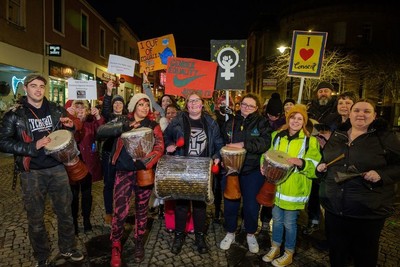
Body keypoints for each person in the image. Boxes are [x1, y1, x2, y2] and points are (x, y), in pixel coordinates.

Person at [0, 74, 84, 267]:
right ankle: (42, 256)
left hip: (57, 167)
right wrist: (32, 147)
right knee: (35, 217)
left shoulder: (54, 108)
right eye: (33, 86)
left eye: (41, 86)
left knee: (65, 212)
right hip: (32, 172)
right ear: (25, 88)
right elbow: (3, 141)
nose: (38, 90)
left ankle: (67, 248)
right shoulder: (15, 114)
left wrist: (72, 125)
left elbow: (76, 126)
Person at [317, 99, 400, 267]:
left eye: (366, 111)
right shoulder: (338, 134)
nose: (361, 114)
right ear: (350, 114)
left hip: (368, 211)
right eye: (357, 110)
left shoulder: (384, 137)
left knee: (364, 256)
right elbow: (326, 159)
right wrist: (320, 168)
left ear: (375, 115)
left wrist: (381, 174)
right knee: (337, 253)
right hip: (335, 208)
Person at [97, 93, 164, 266]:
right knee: (120, 211)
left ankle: (139, 242)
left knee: (142, 210)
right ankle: (116, 245)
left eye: (146, 105)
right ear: (133, 106)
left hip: (143, 172)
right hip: (123, 170)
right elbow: (101, 131)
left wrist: (145, 163)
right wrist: (123, 127)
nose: (144, 108)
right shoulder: (122, 121)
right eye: (140, 104)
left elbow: (159, 147)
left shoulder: (153, 125)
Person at [261, 104, 321, 267]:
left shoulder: (311, 141)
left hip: (295, 190)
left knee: (289, 223)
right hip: (276, 188)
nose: (295, 121)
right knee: (277, 220)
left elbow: (315, 168)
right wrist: (263, 165)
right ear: (288, 119)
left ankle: (288, 253)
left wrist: (301, 162)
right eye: (293, 117)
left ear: (304, 122)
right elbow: (268, 154)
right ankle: (275, 247)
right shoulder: (276, 136)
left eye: (299, 118)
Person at [163, 93, 224, 255]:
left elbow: (219, 144)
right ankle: (178, 237)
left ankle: (200, 238)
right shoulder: (177, 120)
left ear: (202, 104)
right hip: (182, 168)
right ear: (187, 105)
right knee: (181, 205)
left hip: (202, 170)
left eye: (197, 100)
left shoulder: (211, 123)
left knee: (199, 206)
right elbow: (166, 136)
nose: (194, 103)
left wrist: (217, 157)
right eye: (191, 101)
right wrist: (169, 145)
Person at [219, 93, 272, 254]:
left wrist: (243, 144)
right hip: (231, 170)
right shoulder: (231, 122)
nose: (246, 108)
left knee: (251, 205)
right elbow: (221, 141)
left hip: (252, 170)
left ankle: (250, 233)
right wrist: (221, 156)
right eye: (244, 104)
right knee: (230, 203)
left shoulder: (262, 122)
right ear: (239, 105)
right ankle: (230, 232)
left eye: (251, 105)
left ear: (257, 108)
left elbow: (265, 143)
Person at [303, 81, 338, 235]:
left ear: (331, 93)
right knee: (314, 191)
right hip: (313, 155)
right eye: (320, 91)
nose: (323, 93)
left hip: (331, 157)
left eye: (326, 91)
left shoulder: (337, 109)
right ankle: (314, 220)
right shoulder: (310, 109)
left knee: (331, 193)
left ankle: (332, 227)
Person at [66, 99, 105, 234]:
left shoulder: (91, 123)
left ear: (87, 111)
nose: (80, 111)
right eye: (77, 109)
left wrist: (98, 116)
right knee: (73, 195)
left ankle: (87, 219)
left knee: (87, 195)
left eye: (83, 109)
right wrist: (67, 115)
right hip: (73, 165)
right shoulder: (68, 123)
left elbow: (102, 130)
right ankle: (74, 222)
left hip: (89, 165)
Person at [100, 80, 128, 226]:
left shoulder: (127, 119)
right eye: (115, 103)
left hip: (122, 156)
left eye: (120, 103)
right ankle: (108, 212)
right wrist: (109, 92)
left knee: (122, 184)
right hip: (108, 155)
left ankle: (120, 209)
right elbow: (105, 108)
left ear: (124, 106)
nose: (117, 105)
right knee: (109, 183)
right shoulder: (109, 117)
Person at [260, 93, 286, 232]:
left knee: (270, 194)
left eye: (275, 116)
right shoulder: (262, 121)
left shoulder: (283, 124)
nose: (272, 118)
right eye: (270, 115)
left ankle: (265, 221)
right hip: (263, 161)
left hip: (275, 164)